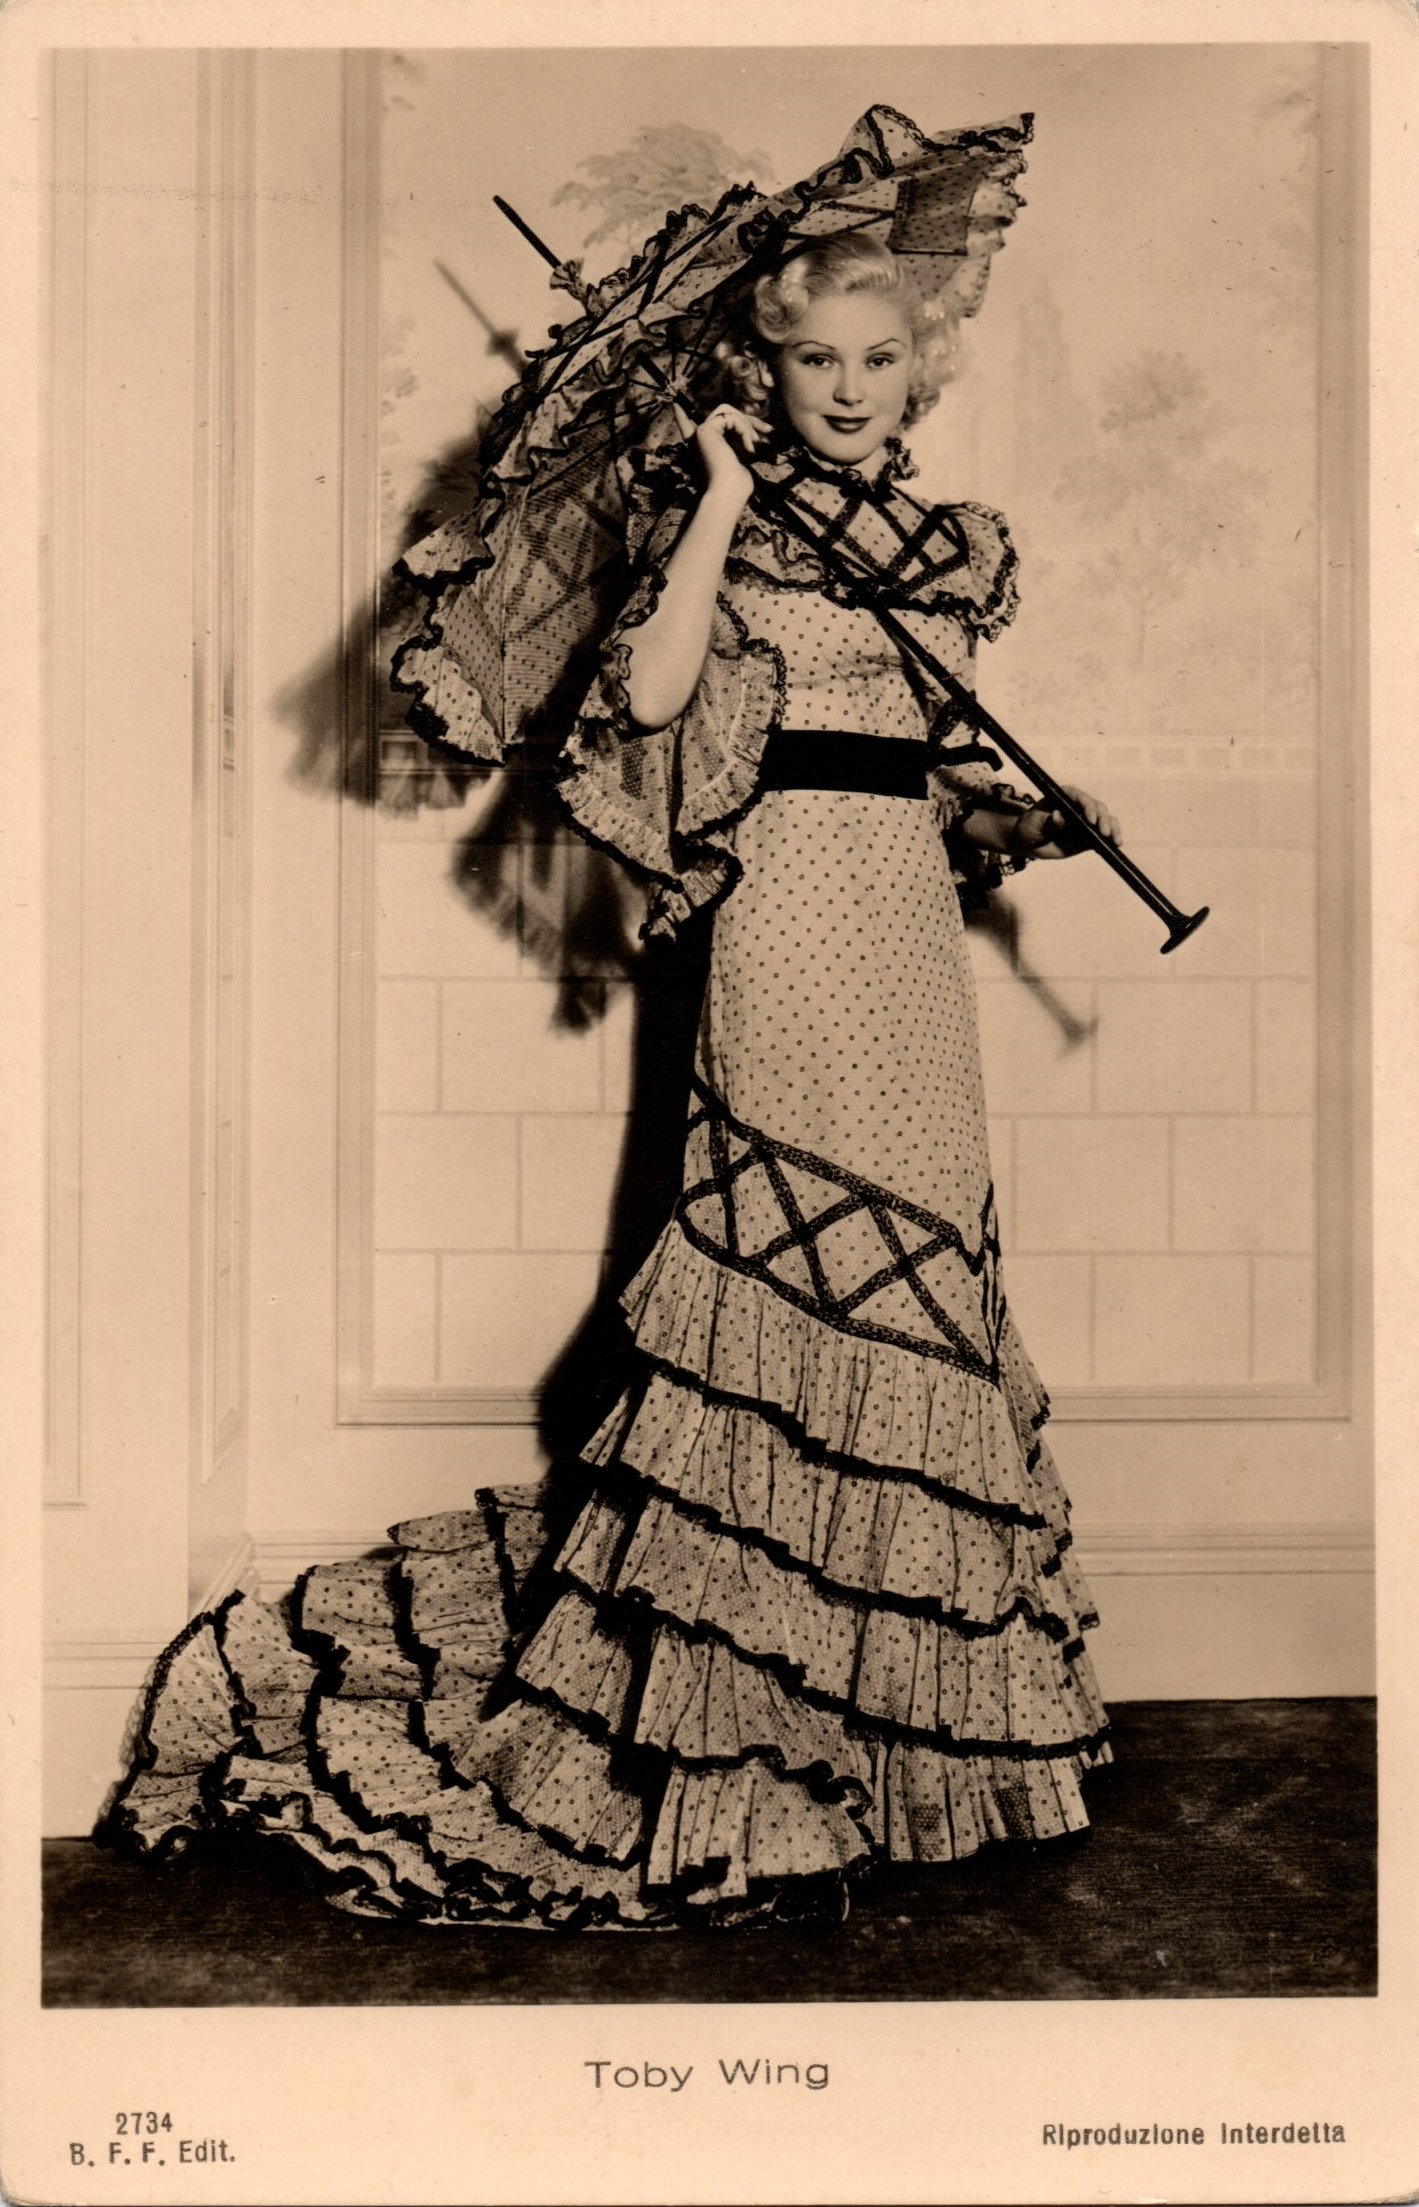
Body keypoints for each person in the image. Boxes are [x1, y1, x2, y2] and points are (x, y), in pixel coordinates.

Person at [104, 145, 1117, 1933]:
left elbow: (929, 766)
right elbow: (650, 700)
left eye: (882, 360)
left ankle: (895, 1748)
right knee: (794, 1278)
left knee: (921, 1285)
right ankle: (748, 1752)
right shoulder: (725, 526)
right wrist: (718, 498)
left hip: (908, 934)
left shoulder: (948, 556)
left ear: (921, 369)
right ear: (767, 370)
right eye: (816, 362)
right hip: (784, 931)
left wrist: (1025, 811)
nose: (852, 390)